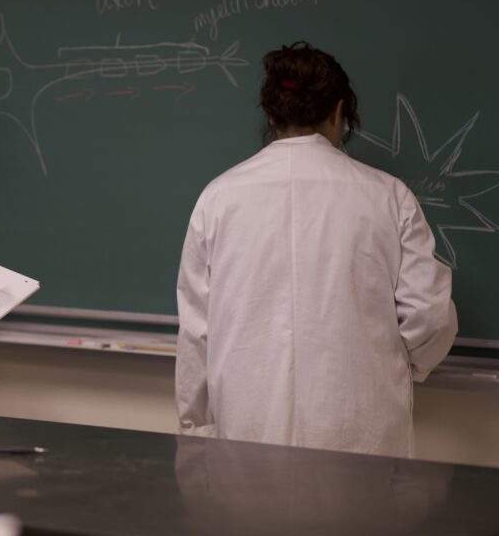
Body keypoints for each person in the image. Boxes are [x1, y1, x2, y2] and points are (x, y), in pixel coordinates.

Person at [175, 41, 457, 457]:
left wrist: (194, 433)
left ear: (271, 115)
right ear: (340, 113)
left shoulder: (217, 198)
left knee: (248, 519)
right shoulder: (389, 196)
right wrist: (393, 367)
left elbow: (196, 334)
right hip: (359, 430)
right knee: (361, 520)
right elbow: (430, 318)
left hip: (246, 431)